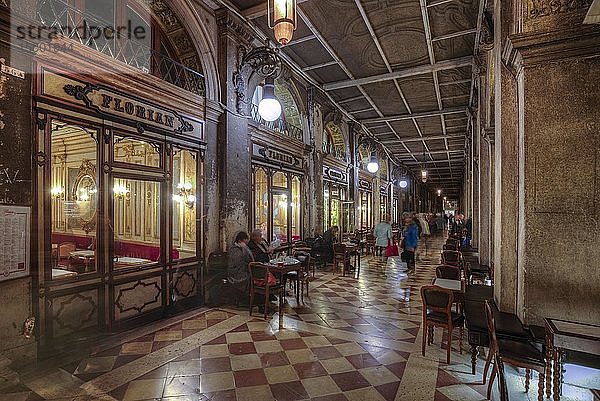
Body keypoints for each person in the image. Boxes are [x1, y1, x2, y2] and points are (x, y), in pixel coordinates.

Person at [227, 231, 254, 304]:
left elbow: (250, 259)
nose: (246, 243)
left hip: (242, 270)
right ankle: (246, 299)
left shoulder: (243, 248)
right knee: (252, 278)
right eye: (245, 240)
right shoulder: (234, 250)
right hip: (236, 274)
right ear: (240, 240)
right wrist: (245, 249)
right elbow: (239, 263)